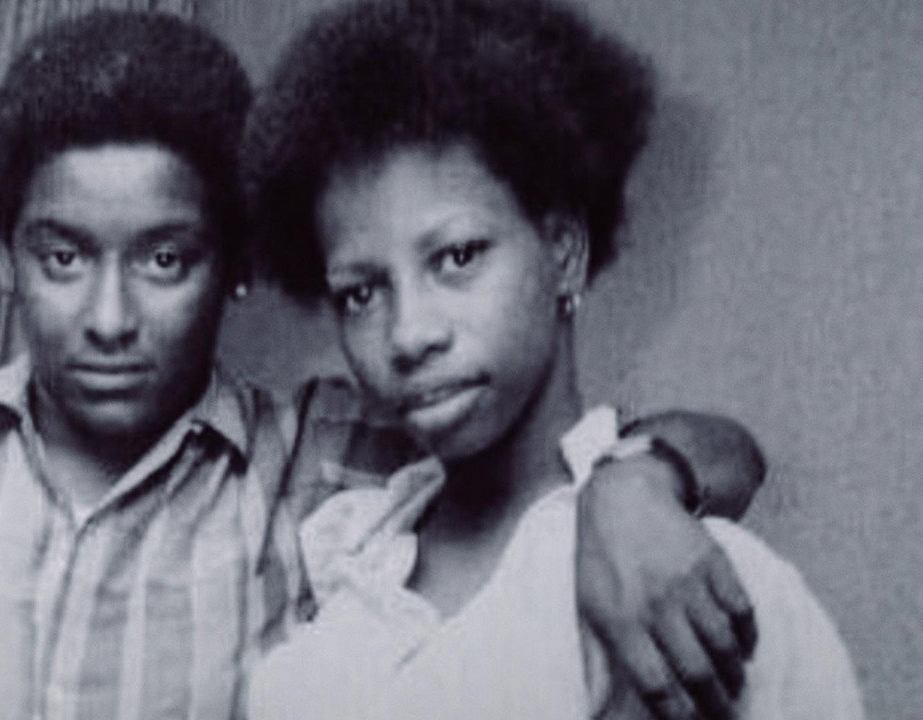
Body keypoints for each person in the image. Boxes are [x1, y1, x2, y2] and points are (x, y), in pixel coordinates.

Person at [0, 9, 763, 720]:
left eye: (165, 258)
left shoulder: (329, 466)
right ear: (3, 256)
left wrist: (636, 482)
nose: (109, 319)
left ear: (235, 267)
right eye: (63, 256)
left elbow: (719, 455)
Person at [240, 0, 862, 718]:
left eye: (458, 257)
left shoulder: (686, 587)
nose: (408, 334)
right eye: (360, 293)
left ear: (564, 252)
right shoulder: (345, 581)